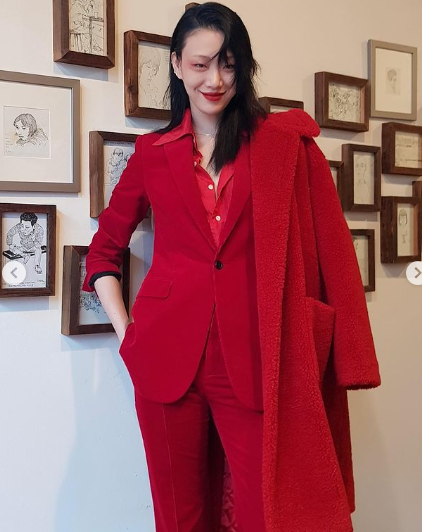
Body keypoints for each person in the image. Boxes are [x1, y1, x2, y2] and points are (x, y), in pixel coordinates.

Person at [83, 3, 381, 531]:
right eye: (200, 65)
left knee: (266, 513)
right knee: (180, 518)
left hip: (255, 360)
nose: (215, 80)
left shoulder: (281, 147)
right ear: (176, 65)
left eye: (228, 64)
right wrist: (129, 335)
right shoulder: (152, 153)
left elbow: (328, 250)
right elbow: (104, 252)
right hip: (165, 357)